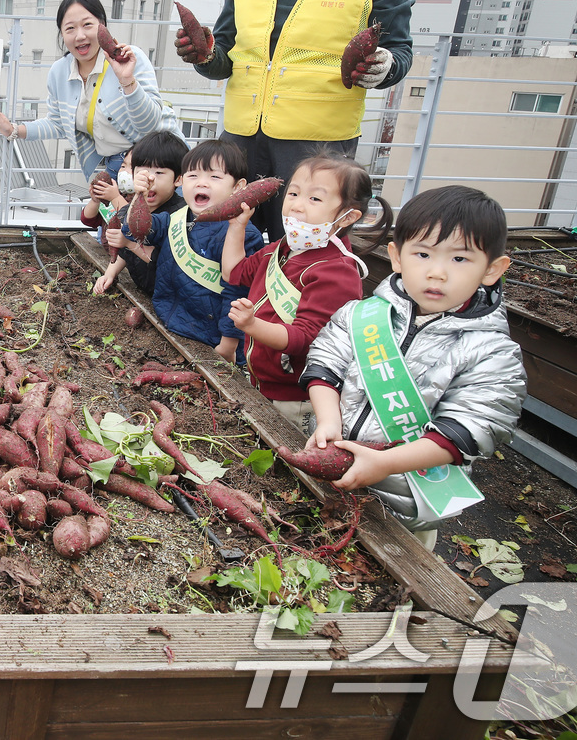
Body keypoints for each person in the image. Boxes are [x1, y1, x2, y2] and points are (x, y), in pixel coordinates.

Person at [176, 0, 414, 240]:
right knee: (231, 233)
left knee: (305, 238)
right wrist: (202, 55)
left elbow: (401, 51)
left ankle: (295, 302)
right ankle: (235, 303)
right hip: (241, 136)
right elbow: (226, 58)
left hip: (318, 144)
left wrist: (382, 66)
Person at [299, 186, 524, 549]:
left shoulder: (492, 352)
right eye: (422, 254)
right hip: (328, 469)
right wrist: (328, 421)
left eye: (460, 259)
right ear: (397, 257)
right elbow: (325, 363)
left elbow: (472, 428)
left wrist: (385, 464)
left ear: (492, 269)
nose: (436, 273)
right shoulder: (362, 314)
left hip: (407, 500)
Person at [221, 153, 392, 428]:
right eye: (293, 193)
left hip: (295, 399)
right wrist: (237, 226)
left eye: (315, 199)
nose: (297, 206)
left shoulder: (337, 271)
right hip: (259, 381)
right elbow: (233, 272)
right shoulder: (281, 248)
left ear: (348, 216)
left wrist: (252, 325)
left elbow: (306, 339)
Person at [0, 0, 180, 181]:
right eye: (70, 29)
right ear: (61, 33)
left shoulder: (129, 58)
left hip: (162, 161)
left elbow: (150, 126)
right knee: (97, 209)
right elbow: (58, 123)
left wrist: (127, 81)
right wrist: (14, 130)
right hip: (119, 164)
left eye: (87, 25)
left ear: (103, 26)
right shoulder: (59, 72)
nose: (80, 36)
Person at [140, 139, 263, 363]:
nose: (201, 183)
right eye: (193, 175)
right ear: (181, 181)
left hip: (214, 338)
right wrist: (139, 197)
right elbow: (137, 232)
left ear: (238, 186)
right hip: (174, 322)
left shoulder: (243, 234)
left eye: (214, 177)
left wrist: (228, 343)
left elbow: (239, 293)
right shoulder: (176, 217)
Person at [92, 130, 189, 296]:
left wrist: (130, 243)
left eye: (159, 173)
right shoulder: (130, 209)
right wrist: (109, 274)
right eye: (142, 172)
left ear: (178, 179)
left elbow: (168, 262)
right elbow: (123, 251)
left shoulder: (181, 216)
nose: (149, 179)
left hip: (167, 297)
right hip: (143, 289)